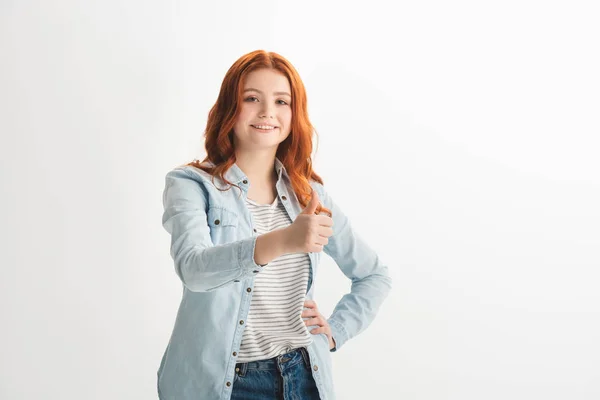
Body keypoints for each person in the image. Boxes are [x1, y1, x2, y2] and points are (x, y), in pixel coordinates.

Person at [157, 49, 392, 400]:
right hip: (226, 383)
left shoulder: (310, 195)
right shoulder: (193, 184)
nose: (267, 111)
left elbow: (374, 276)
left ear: (294, 114)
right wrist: (284, 240)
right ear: (229, 108)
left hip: (303, 375)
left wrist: (334, 331)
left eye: (282, 101)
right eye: (252, 98)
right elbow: (193, 269)